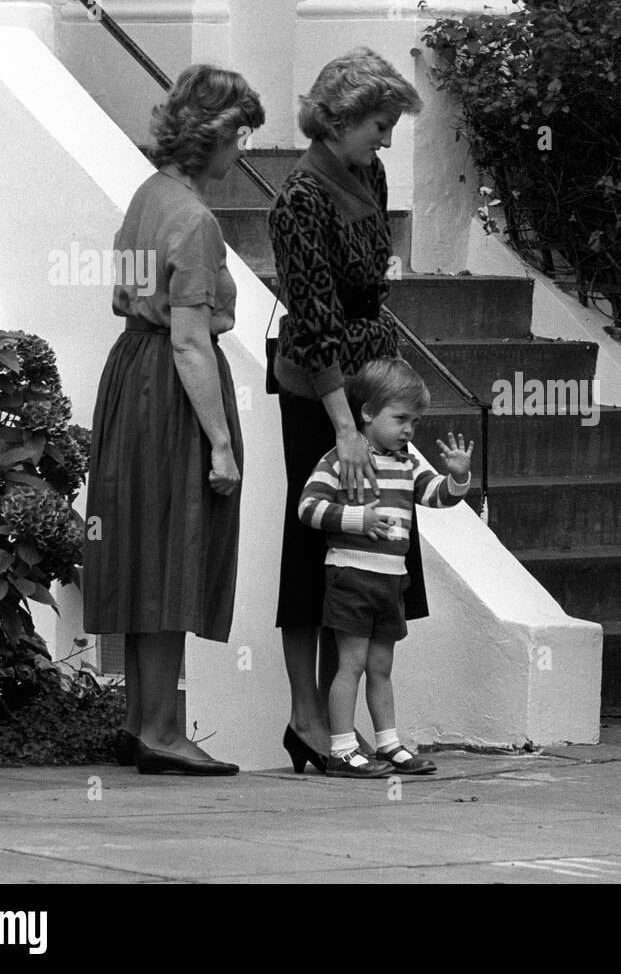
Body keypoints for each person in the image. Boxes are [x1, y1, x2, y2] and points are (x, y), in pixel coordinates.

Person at [84, 64, 265, 775]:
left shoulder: (145, 196)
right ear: (212, 139)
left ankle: (142, 719)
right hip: (169, 387)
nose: (241, 152)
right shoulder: (195, 218)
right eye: (239, 136)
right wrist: (221, 443)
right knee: (173, 548)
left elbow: (121, 298)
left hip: (131, 375)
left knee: (141, 546)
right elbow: (191, 339)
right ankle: (162, 728)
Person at [267, 48, 425, 774]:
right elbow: (312, 320)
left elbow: (370, 287)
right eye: (379, 126)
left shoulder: (369, 172)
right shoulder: (299, 197)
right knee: (317, 551)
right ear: (339, 119)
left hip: (370, 384)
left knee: (369, 558)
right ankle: (308, 721)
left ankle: (358, 730)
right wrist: (344, 426)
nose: (387, 140)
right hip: (323, 396)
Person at [296, 358, 472, 777]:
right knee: (351, 664)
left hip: (392, 578)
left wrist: (458, 479)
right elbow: (308, 507)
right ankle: (340, 749)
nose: (409, 429)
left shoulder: (408, 462)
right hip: (351, 574)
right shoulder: (341, 460)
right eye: (400, 419)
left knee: (381, 666)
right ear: (369, 413)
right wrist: (359, 519)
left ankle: (387, 744)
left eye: (415, 421)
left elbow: (435, 496)